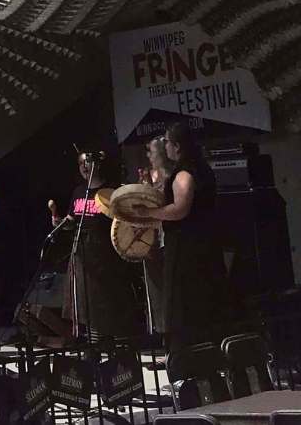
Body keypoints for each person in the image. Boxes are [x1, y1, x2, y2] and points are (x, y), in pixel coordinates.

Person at [134, 122, 229, 359]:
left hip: (187, 249)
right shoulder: (202, 169)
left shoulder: (185, 173)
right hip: (205, 245)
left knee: (184, 306)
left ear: (177, 146)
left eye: (167, 141)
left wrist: (148, 213)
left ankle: (191, 359)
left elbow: (180, 209)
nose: (164, 145)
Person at [51, 150, 139, 341]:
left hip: (104, 255)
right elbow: (72, 220)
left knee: (105, 302)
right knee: (85, 303)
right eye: (80, 164)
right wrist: (60, 223)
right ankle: (92, 345)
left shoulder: (110, 191)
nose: (84, 167)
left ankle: (113, 344)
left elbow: (124, 222)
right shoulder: (78, 192)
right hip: (82, 253)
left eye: (87, 162)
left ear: (97, 165)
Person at [137, 136, 171, 339]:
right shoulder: (149, 175)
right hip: (152, 240)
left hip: (169, 239)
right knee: (155, 290)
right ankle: (161, 334)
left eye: (152, 151)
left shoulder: (173, 177)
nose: (149, 156)